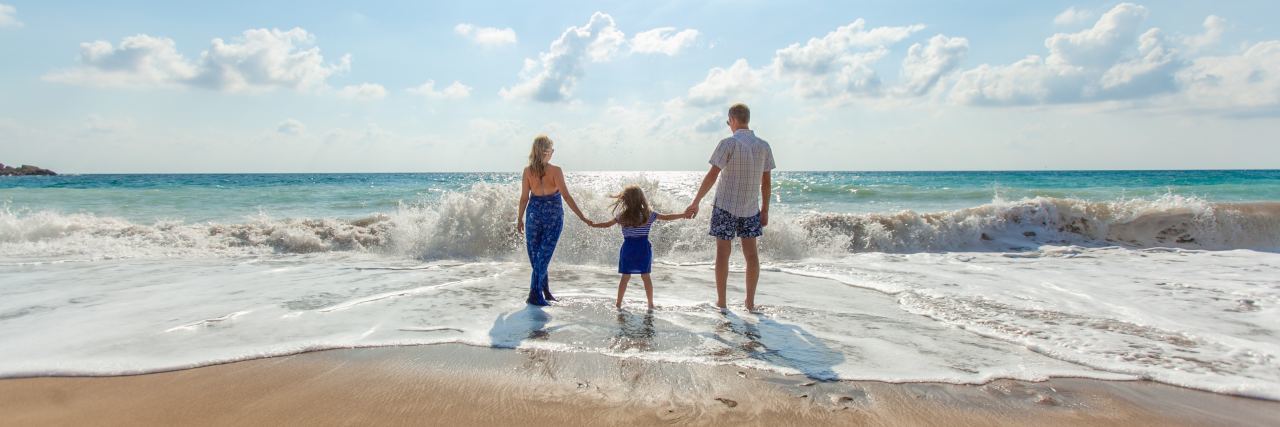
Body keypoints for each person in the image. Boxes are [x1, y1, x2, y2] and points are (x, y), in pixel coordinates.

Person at [684, 103, 776, 312]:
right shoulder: (764, 146)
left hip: (725, 206)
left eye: (728, 122)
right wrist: (766, 210)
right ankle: (750, 303)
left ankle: (722, 302)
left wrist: (696, 201)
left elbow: (712, 175)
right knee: (751, 256)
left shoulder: (728, 143)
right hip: (751, 208)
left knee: (723, 254)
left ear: (732, 120)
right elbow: (767, 183)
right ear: (747, 119)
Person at [516, 135, 591, 306]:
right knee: (542, 256)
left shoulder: (528, 171)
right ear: (547, 152)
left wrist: (519, 218)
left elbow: (524, 198)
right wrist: (582, 216)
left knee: (538, 256)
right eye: (551, 150)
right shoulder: (555, 170)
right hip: (553, 216)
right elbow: (566, 195)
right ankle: (534, 294)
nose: (553, 152)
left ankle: (545, 291)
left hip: (534, 214)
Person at [589, 185, 690, 310]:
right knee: (646, 277)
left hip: (628, 249)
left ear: (625, 200)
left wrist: (593, 224)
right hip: (643, 249)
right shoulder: (649, 214)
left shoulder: (622, 216)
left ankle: (618, 303)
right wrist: (683, 215)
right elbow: (667, 217)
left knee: (625, 277)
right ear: (641, 199)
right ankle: (650, 304)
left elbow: (606, 225)